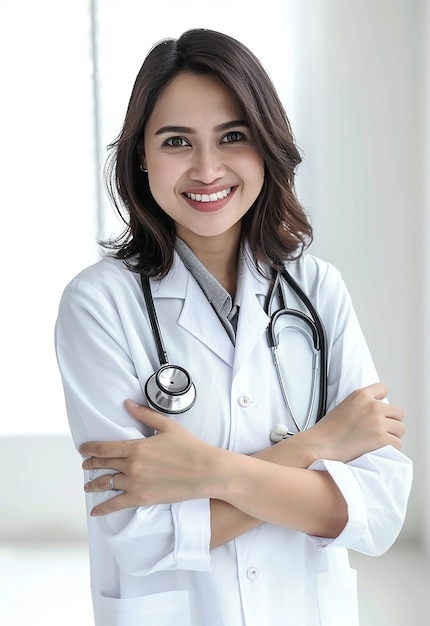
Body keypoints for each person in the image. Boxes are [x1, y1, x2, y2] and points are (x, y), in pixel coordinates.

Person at [55, 28, 412, 626]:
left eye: (233, 136)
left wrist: (208, 475)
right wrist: (317, 448)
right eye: (176, 141)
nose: (206, 168)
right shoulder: (98, 305)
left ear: (266, 145)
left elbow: (376, 511)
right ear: (141, 156)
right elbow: (140, 537)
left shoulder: (318, 289)